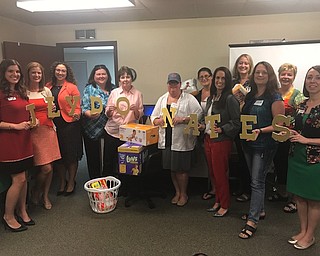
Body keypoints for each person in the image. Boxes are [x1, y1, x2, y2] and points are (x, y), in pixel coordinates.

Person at [238, 61, 285, 239]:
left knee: (257, 182)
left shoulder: (275, 97)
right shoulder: (250, 96)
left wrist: (260, 131)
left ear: (269, 75)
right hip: (248, 143)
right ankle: (260, 210)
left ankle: (252, 221)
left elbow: (279, 125)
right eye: (257, 72)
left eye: (263, 72)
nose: (259, 75)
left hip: (264, 144)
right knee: (256, 179)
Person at [151, 73, 202, 207]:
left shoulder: (189, 99)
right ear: (167, 85)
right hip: (167, 139)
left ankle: (184, 193)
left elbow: (199, 114)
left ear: (180, 84)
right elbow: (153, 117)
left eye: (175, 84)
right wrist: (158, 120)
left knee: (182, 169)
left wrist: (183, 119)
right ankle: (177, 192)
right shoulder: (162, 99)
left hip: (182, 140)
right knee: (172, 169)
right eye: (170, 84)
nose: (172, 87)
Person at [286, 65, 320, 250]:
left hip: (315, 160)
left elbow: (306, 136)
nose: (312, 81)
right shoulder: (300, 105)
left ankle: (310, 235)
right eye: (309, 77)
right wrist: (287, 131)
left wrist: (307, 140)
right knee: (299, 196)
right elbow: (294, 127)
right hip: (296, 156)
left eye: (317, 78)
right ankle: (303, 230)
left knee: (314, 199)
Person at [0, 59, 35, 231]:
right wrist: (15, 126)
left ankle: (22, 211)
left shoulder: (22, 92)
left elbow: (27, 113)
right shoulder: (0, 94)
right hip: (9, 142)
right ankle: (8, 215)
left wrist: (31, 122)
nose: (15, 75)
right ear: (3, 74)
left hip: (25, 141)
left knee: (25, 178)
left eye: (17, 72)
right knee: (19, 179)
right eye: (10, 72)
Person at [201, 67, 240, 217]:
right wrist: (203, 126)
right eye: (217, 78)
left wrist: (223, 129)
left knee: (220, 174)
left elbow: (236, 122)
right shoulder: (211, 98)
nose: (219, 81)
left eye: (223, 78)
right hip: (209, 139)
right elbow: (209, 120)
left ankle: (224, 204)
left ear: (228, 80)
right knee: (213, 173)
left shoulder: (230, 99)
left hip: (221, 141)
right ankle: (217, 200)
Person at [268, 63, 304, 213]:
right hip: (274, 135)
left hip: (289, 138)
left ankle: (294, 199)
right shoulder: (273, 93)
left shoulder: (298, 95)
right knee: (278, 166)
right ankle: (282, 193)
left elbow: (301, 117)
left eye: (289, 74)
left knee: (291, 168)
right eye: (283, 74)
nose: (286, 77)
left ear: (294, 77)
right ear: (278, 75)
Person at [25, 62, 61, 209]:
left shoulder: (46, 90)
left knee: (49, 166)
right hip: (33, 133)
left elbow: (52, 110)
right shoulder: (23, 91)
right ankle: (35, 191)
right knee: (43, 168)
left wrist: (52, 108)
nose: (36, 75)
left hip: (48, 130)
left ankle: (45, 195)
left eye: (39, 73)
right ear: (28, 74)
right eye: (34, 72)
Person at [46, 61, 83, 196]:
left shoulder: (72, 87)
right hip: (53, 125)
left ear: (67, 73)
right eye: (58, 70)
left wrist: (77, 114)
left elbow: (77, 105)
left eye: (63, 71)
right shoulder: (47, 87)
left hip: (70, 125)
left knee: (71, 155)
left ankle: (71, 182)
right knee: (58, 156)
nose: (60, 73)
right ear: (54, 72)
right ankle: (62, 182)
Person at [103, 66, 143, 176]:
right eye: (122, 77)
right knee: (109, 161)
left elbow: (139, 115)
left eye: (128, 77)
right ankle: (108, 188)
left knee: (127, 163)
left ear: (132, 78)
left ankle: (126, 188)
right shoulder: (114, 93)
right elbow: (107, 113)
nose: (125, 79)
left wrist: (135, 110)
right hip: (112, 131)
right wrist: (110, 111)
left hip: (129, 134)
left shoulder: (138, 94)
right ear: (119, 79)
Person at [81, 64, 116, 179]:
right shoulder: (89, 88)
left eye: (103, 74)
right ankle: (95, 185)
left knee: (109, 158)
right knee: (93, 158)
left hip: (110, 128)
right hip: (92, 127)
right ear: (94, 76)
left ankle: (108, 183)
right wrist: (89, 114)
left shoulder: (114, 89)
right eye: (98, 74)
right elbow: (84, 107)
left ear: (107, 75)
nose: (101, 76)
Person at [232, 53, 253, 203]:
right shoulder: (232, 82)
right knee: (240, 157)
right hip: (235, 123)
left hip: (248, 123)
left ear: (250, 66)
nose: (243, 66)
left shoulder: (254, 82)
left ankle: (250, 190)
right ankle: (242, 186)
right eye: (240, 63)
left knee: (249, 157)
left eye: (246, 63)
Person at [195, 67, 215, 200]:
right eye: (201, 77)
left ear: (211, 77)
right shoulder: (196, 95)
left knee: (217, 163)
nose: (204, 79)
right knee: (208, 162)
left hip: (214, 132)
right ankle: (212, 187)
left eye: (207, 76)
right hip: (200, 133)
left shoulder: (217, 93)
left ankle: (217, 189)